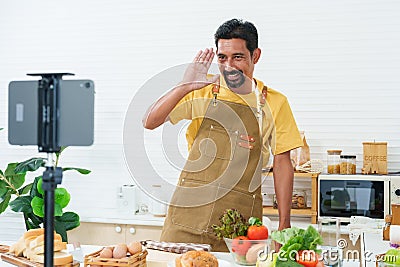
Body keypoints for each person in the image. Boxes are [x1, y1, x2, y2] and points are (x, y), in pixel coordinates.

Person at [143, 18, 303, 251]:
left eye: (238, 57)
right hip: (188, 216)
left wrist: (284, 224)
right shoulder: (202, 89)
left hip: (238, 223)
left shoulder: (274, 103)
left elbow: (282, 165)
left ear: (255, 56)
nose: (229, 66)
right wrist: (185, 85)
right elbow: (150, 121)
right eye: (222, 58)